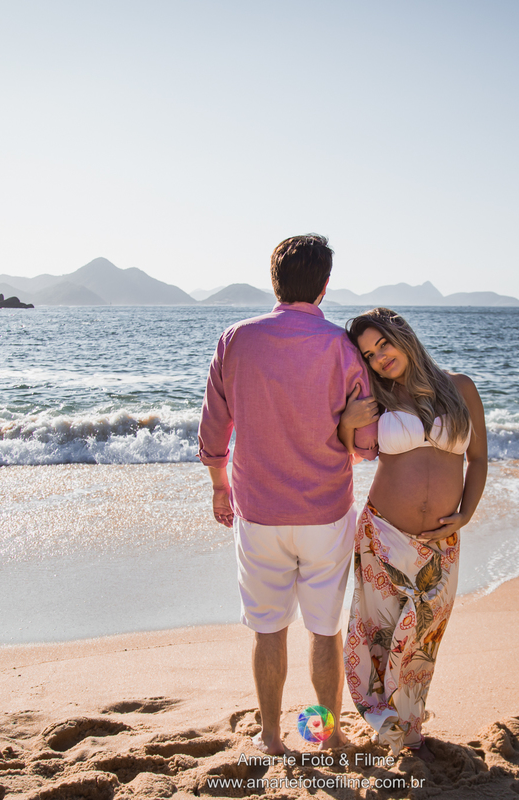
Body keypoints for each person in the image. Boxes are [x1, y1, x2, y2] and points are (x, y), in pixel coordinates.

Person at [198, 234, 378, 755]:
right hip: (325, 512)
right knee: (324, 632)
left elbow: (215, 426)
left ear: (274, 282)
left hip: (259, 513)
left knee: (268, 629)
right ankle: (326, 735)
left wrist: (218, 484)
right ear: (324, 287)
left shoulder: (236, 339)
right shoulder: (343, 348)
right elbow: (366, 445)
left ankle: (273, 737)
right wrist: (347, 430)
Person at [335, 307, 487, 761]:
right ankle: (388, 722)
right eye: (368, 353)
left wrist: (467, 513)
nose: (379, 357)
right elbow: (352, 456)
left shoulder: (460, 388)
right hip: (383, 534)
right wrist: (346, 424)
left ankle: (409, 723)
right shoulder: (374, 401)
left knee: (423, 638)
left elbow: (477, 459)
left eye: (383, 344)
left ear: (403, 335)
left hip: (441, 544)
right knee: (378, 634)